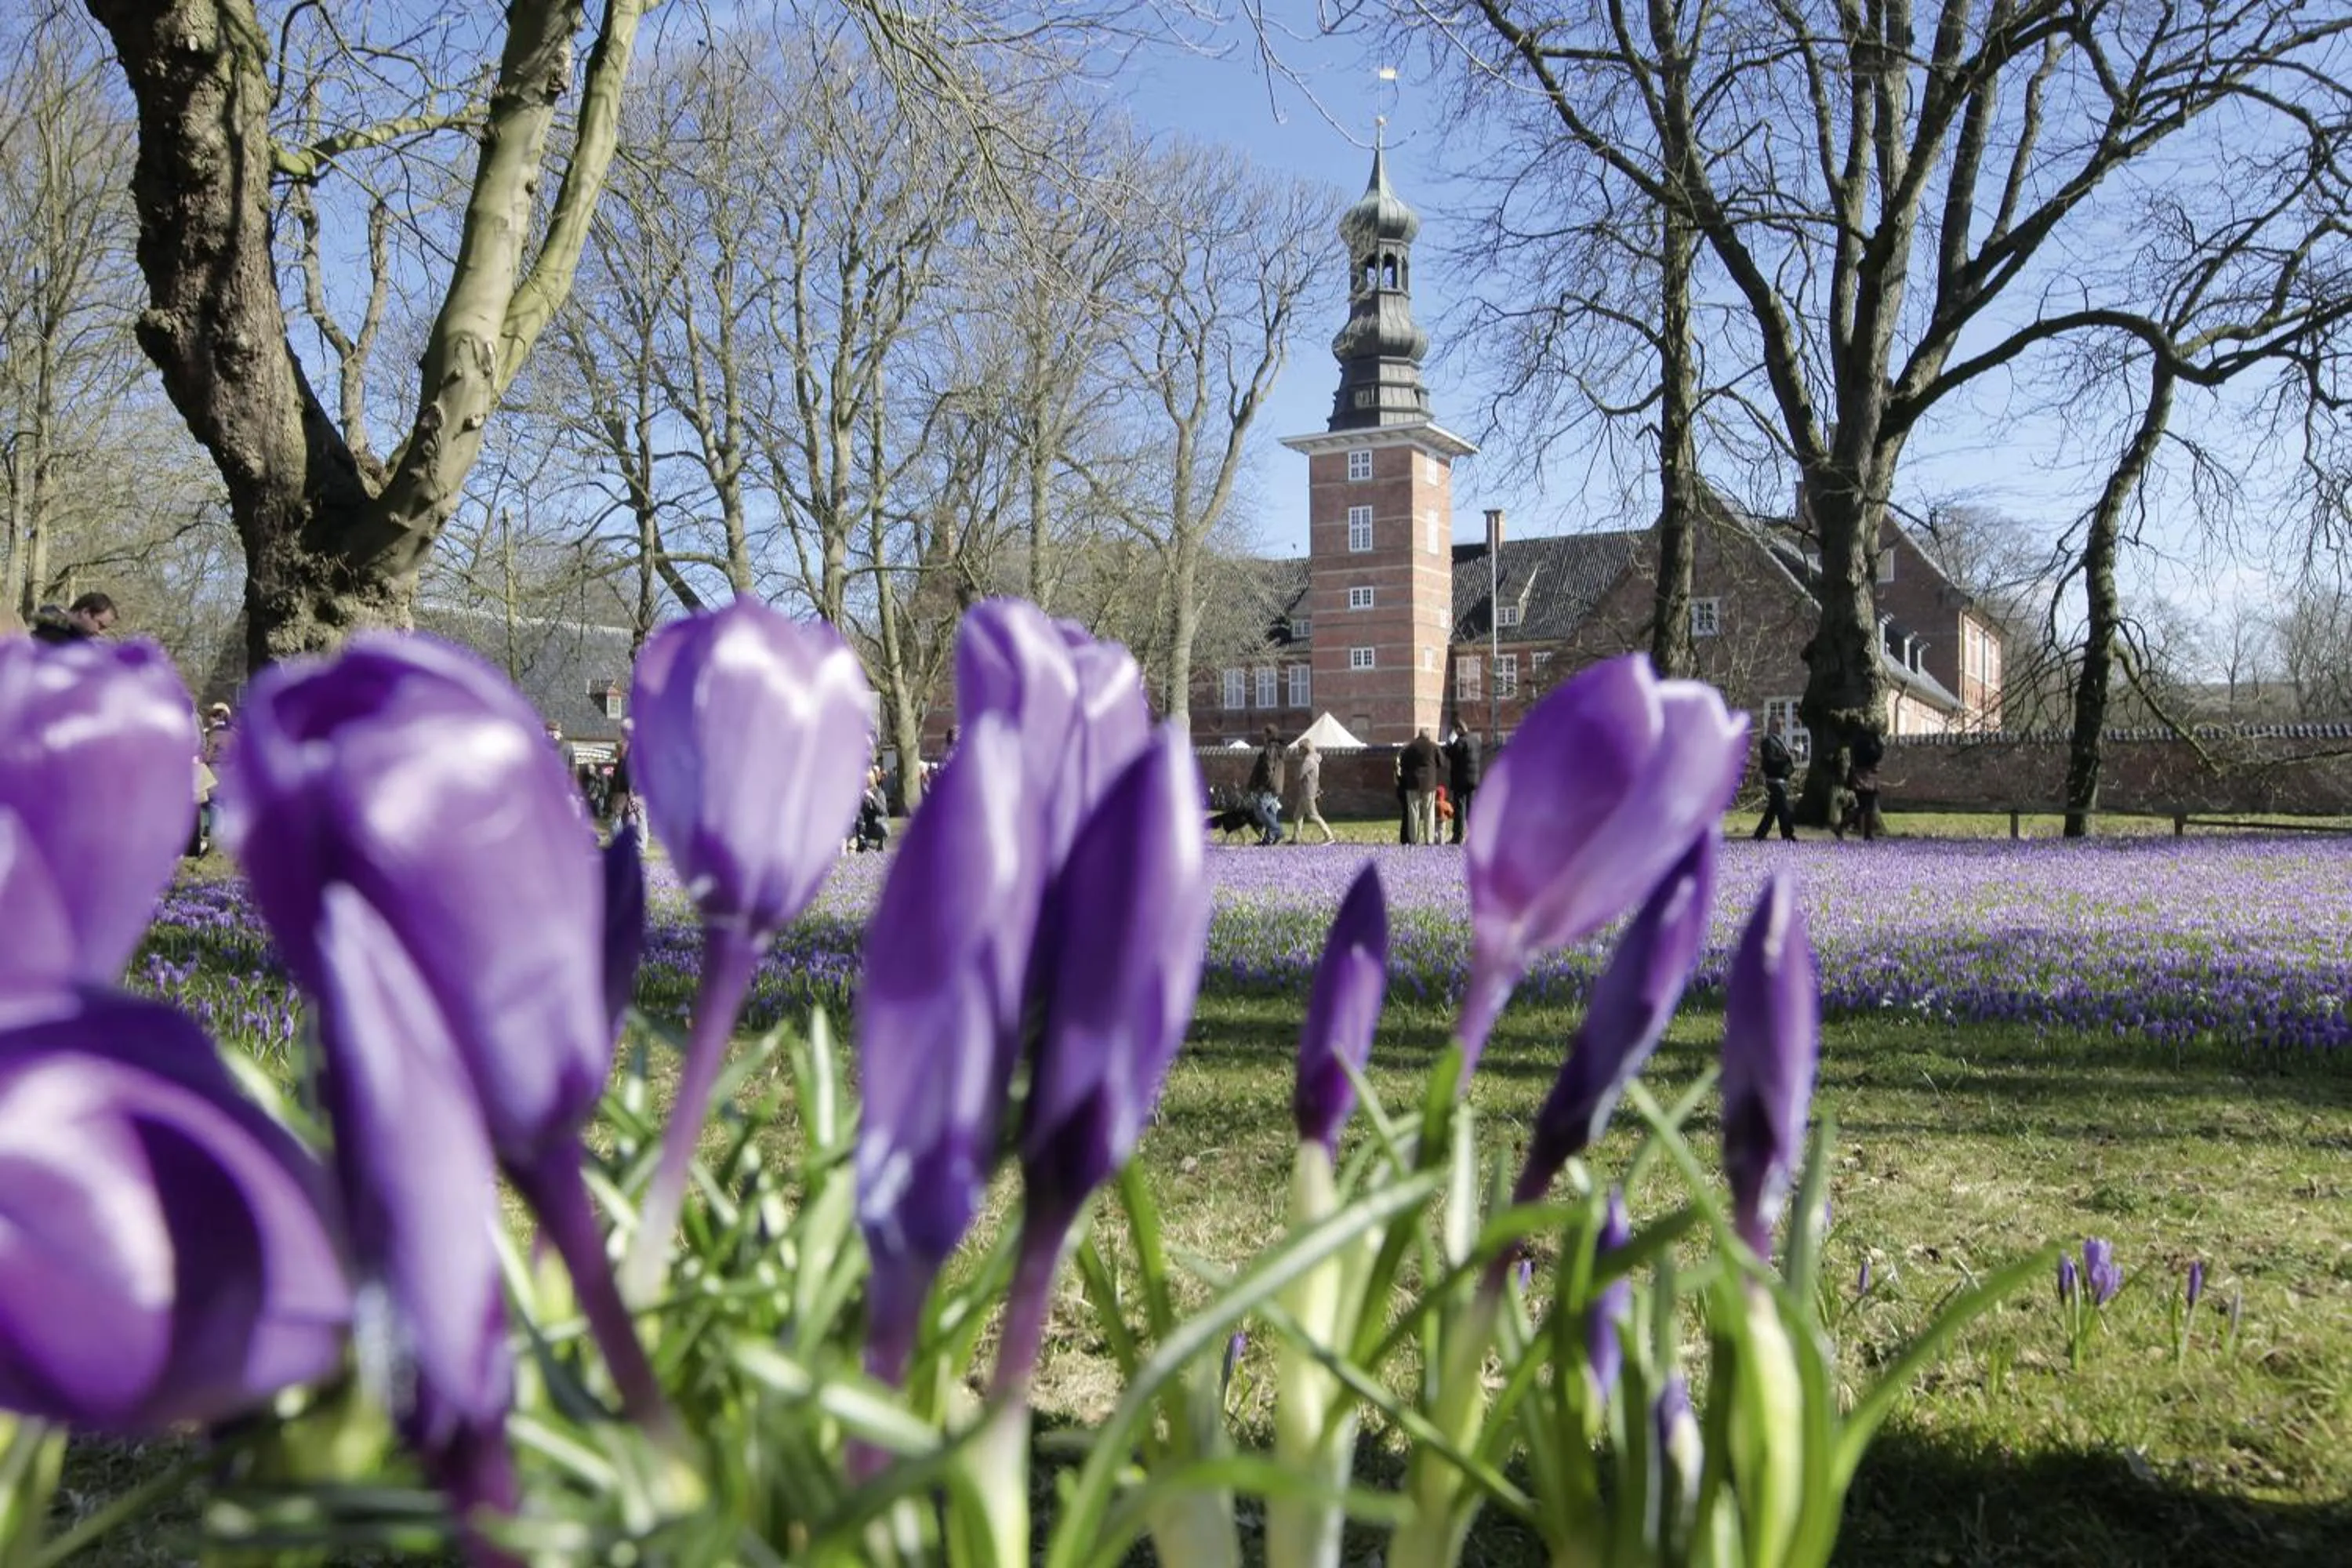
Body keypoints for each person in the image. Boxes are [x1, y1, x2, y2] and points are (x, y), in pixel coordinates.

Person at [1752, 717, 1798, 841]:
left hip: (1782, 779)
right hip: (1775, 780)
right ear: (1770, 726)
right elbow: (1770, 760)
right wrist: (1787, 757)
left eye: (1782, 724)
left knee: (1772, 810)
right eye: (1777, 725)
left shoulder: (1779, 741)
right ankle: (1788, 835)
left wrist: (1791, 753)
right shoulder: (1768, 741)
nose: (1780, 727)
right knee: (1784, 809)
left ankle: (1759, 835)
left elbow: (1782, 756)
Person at [1288, 736, 1335, 845]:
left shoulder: (1308, 760)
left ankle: (1329, 836)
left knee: (1313, 815)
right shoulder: (1314, 759)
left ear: (1305, 749)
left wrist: (1297, 769)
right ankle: (1296, 838)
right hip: (1307, 791)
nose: (1298, 751)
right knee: (1298, 815)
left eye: (1300, 748)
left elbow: (1299, 775)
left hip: (1308, 792)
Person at [1843, 727, 1887, 841]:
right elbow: (1875, 755)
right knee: (1867, 806)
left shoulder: (1856, 740)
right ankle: (1845, 826)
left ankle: (1864, 832)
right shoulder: (1870, 741)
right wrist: (1880, 746)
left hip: (1859, 774)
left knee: (1864, 806)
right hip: (1868, 775)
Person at [1400, 726, 1443, 844]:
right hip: (1429, 783)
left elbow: (1403, 762)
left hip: (1413, 782)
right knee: (1429, 811)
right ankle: (1429, 839)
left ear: (1419, 735)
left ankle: (1413, 839)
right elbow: (1441, 762)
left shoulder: (1410, 747)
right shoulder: (1434, 747)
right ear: (1428, 735)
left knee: (1413, 811)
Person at [1247, 724, 1287, 846]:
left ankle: (1278, 831)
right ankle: (1269, 839)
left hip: (1268, 785)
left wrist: (1264, 784)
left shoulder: (1270, 750)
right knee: (1270, 810)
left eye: (1264, 734)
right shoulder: (1279, 750)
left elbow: (1268, 769)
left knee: (1259, 808)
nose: (1263, 737)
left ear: (1269, 735)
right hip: (1276, 785)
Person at [29, 590, 116, 644]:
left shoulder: (80, 645)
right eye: (100, 625)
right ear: (85, 612)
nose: (99, 632)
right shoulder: (51, 637)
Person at [1445, 728, 1482, 844]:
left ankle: (1458, 836)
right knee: (1471, 807)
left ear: (1459, 730)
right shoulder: (1476, 741)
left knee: (1460, 807)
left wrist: (1450, 740)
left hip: (1461, 779)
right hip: (1474, 779)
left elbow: (1449, 753)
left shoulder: (1461, 742)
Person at [853, 764, 891, 852]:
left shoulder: (879, 793)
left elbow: (883, 811)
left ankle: (872, 845)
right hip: (861, 825)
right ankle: (862, 846)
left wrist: (872, 798)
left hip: (875, 824)